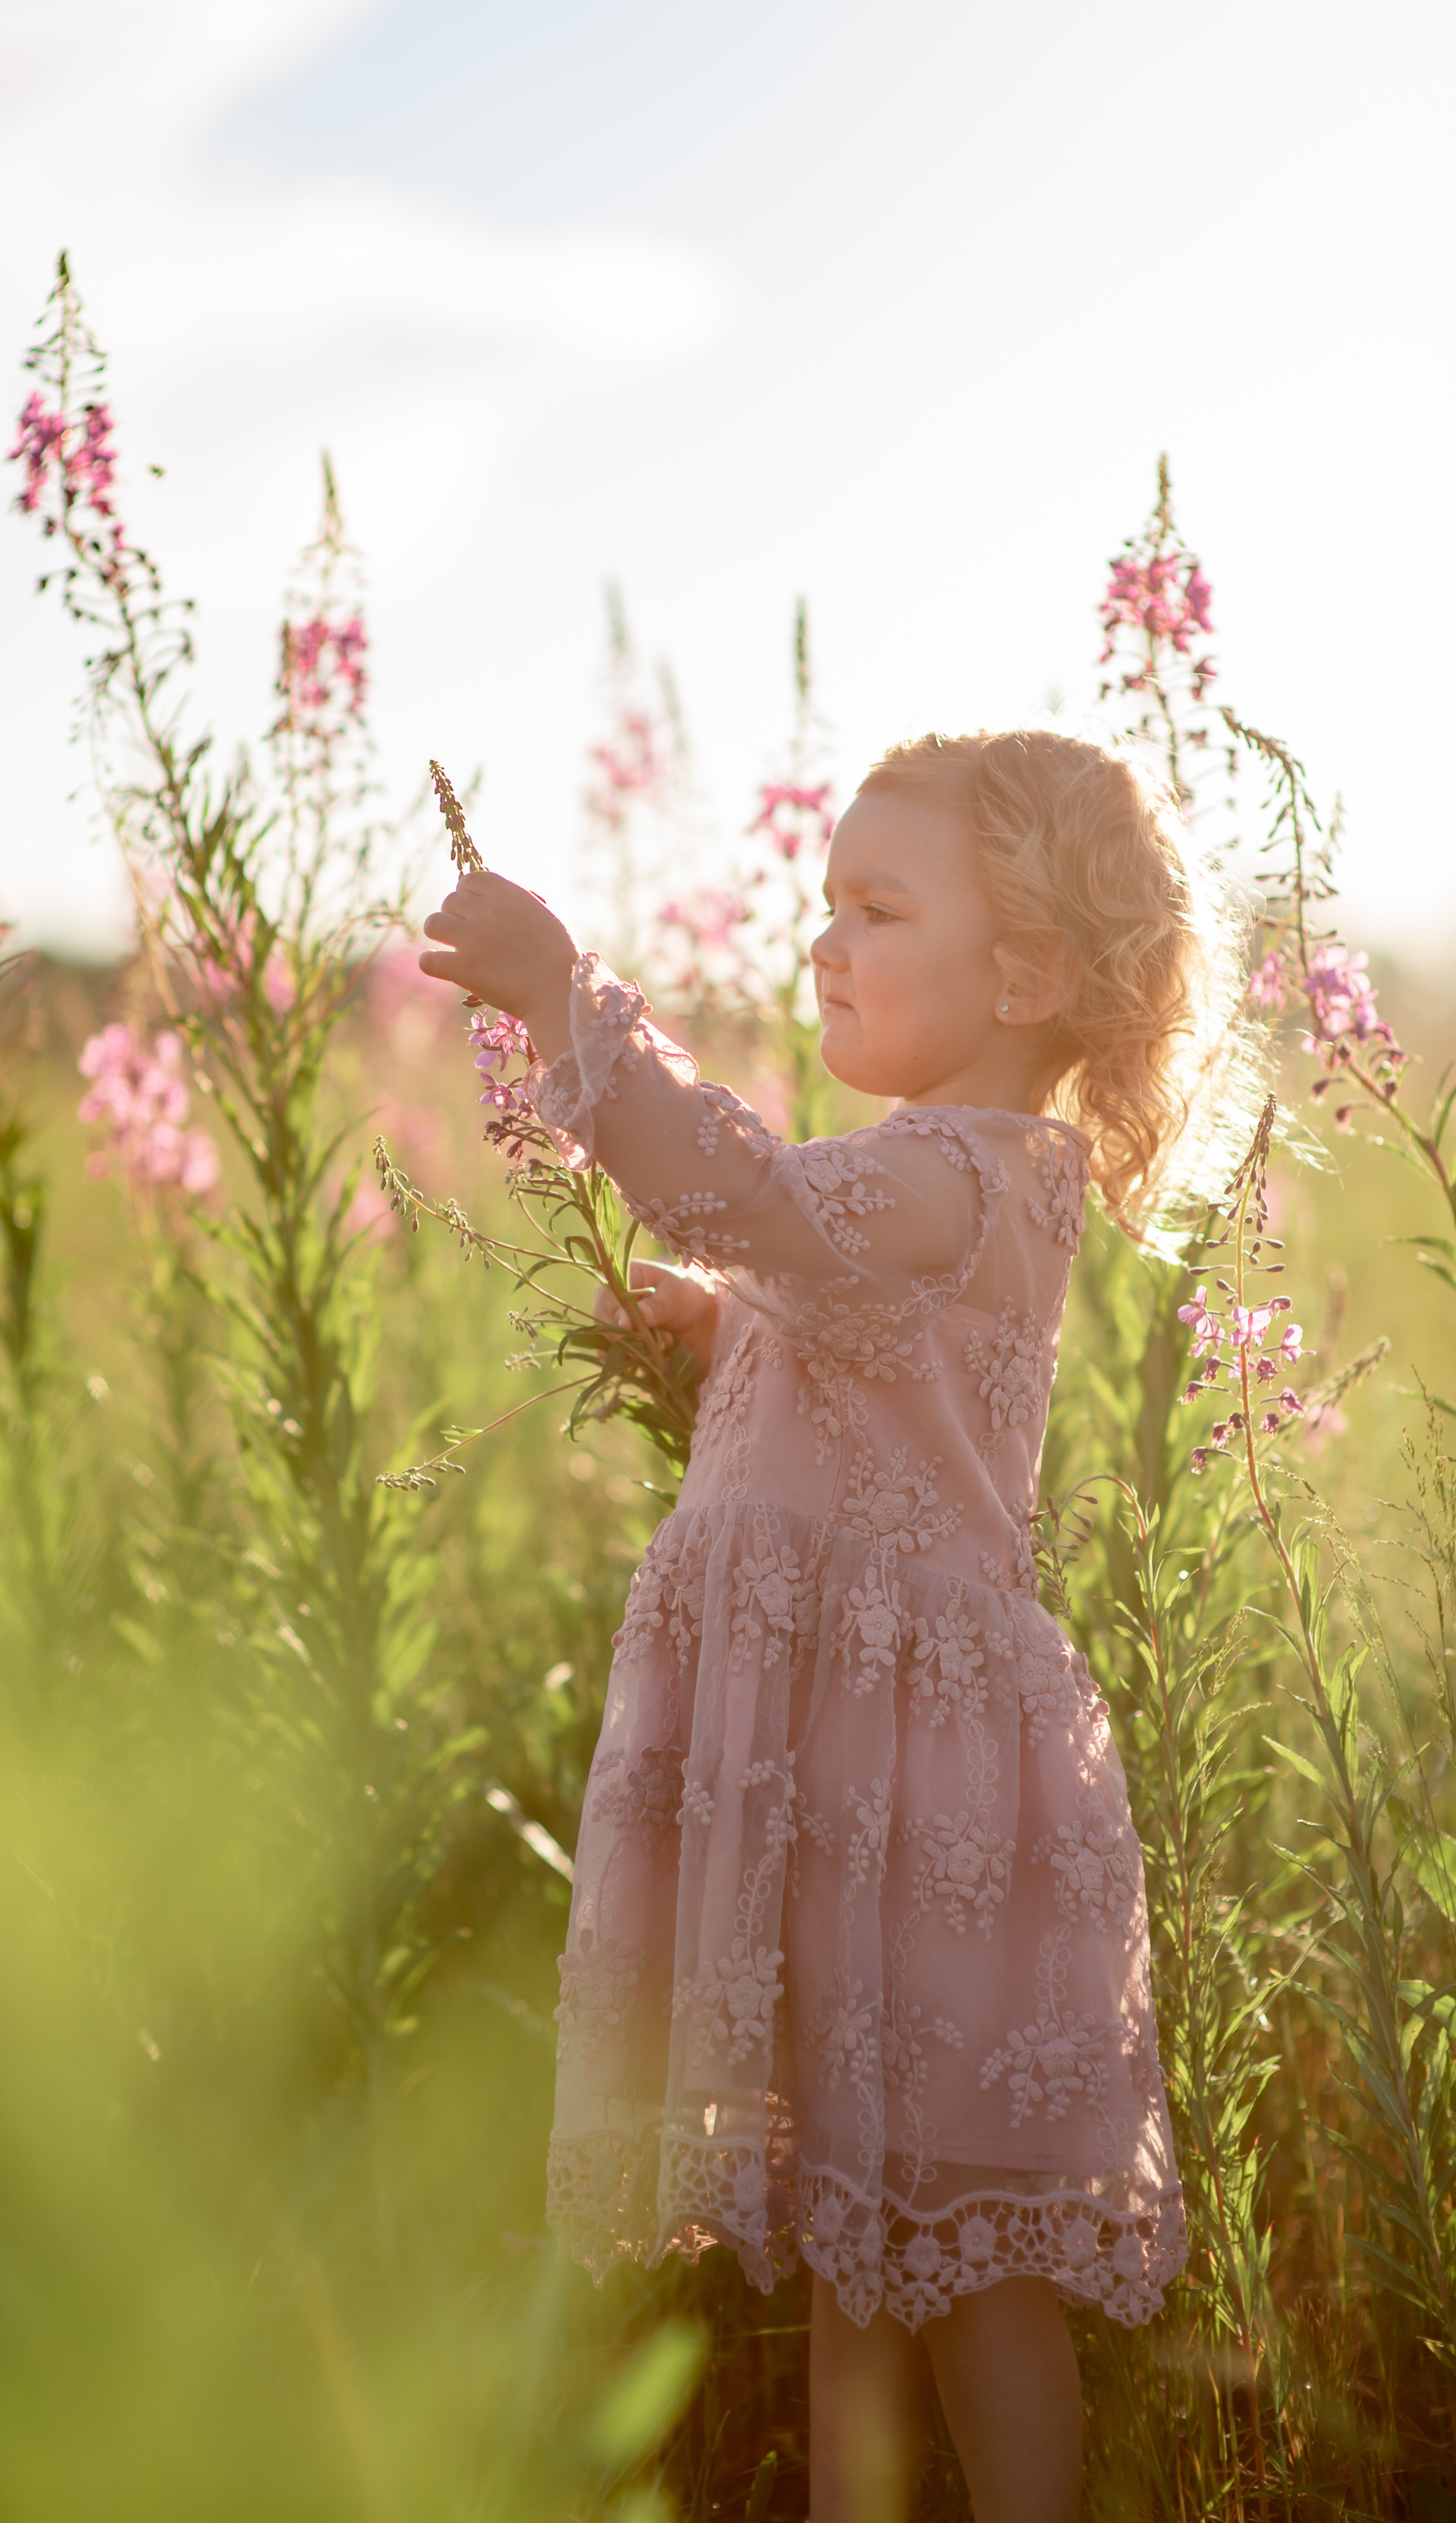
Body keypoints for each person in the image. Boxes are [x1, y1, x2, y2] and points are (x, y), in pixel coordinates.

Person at [420, 729, 1250, 2523]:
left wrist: (570, 995)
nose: (826, 941)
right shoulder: (922, 1176)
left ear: (1026, 972)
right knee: (856, 2232)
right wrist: (731, 1337)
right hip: (834, 1756)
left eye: (877, 908)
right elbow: (861, 1349)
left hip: (902, 1774)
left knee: (965, 2256)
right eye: (824, 905)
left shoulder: (966, 1170)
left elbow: (746, 1199)